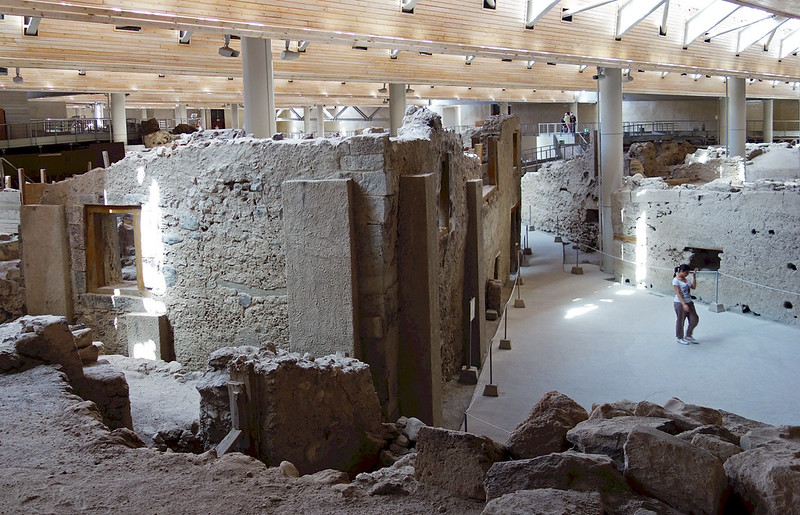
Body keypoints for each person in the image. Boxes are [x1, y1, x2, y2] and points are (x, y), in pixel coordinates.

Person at [673, 264, 699, 345]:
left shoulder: (686, 279)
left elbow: (693, 287)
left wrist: (694, 277)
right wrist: (684, 304)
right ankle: (679, 337)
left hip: (689, 302)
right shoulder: (675, 280)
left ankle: (688, 335)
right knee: (681, 320)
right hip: (680, 303)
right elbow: (678, 293)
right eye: (686, 272)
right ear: (681, 271)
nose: (687, 274)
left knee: (694, 319)